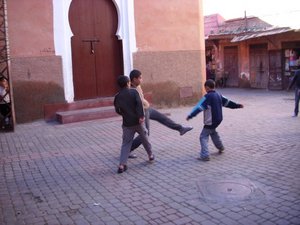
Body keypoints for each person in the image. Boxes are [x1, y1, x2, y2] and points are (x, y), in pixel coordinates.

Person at [128, 69, 193, 156]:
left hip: (147, 109)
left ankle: (180, 129)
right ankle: (128, 149)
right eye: (140, 78)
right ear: (134, 79)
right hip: (142, 112)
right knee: (145, 133)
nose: (141, 79)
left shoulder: (138, 87)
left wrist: (146, 104)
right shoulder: (131, 90)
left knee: (162, 118)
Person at [186, 79, 244, 161]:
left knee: (203, 136)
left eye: (205, 88)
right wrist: (237, 105)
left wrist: (190, 115)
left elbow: (199, 108)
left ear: (207, 87)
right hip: (218, 119)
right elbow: (228, 103)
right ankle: (221, 147)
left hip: (210, 121)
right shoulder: (219, 95)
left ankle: (205, 155)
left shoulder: (207, 97)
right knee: (213, 132)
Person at [114, 75, 154, 173]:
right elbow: (139, 104)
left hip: (127, 124)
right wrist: (141, 117)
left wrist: (124, 114)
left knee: (126, 143)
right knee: (144, 138)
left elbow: (117, 109)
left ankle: (122, 165)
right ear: (128, 83)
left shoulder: (117, 96)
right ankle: (150, 155)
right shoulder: (134, 92)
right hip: (138, 121)